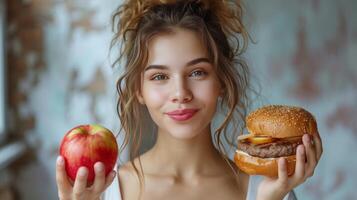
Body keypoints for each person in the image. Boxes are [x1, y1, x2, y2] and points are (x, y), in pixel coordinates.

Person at [55, 0, 323, 199]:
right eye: (159, 76)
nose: (181, 92)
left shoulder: (265, 189)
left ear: (221, 81)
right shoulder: (106, 192)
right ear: (139, 89)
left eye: (197, 72)